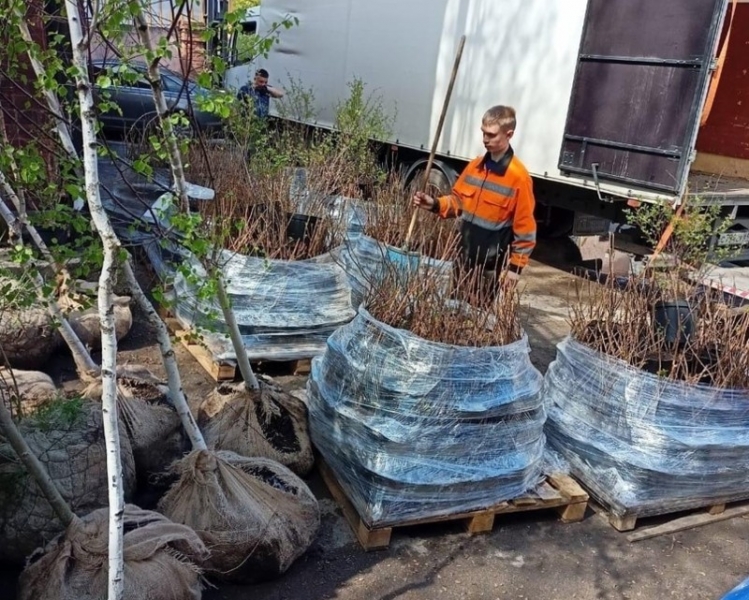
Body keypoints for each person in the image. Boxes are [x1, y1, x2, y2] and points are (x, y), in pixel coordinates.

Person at [412, 105, 537, 302]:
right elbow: (458, 202)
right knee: (453, 309)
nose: (485, 139)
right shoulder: (474, 167)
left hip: (489, 267)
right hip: (462, 258)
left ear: (509, 134)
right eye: (483, 133)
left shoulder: (519, 178)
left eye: (491, 134)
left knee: (477, 314)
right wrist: (434, 204)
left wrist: (515, 269)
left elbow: (525, 229)